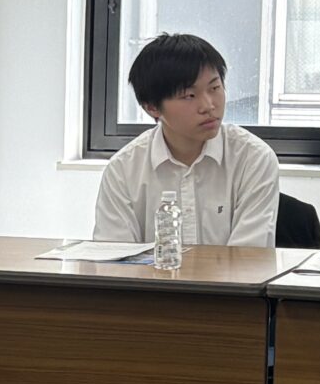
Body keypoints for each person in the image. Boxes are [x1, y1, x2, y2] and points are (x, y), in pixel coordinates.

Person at [91, 32, 280, 248]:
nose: (208, 105)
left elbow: (248, 257)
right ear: (152, 107)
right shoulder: (123, 170)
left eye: (215, 88)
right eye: (189, 96)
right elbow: (113, 257)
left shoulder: (253, 159)